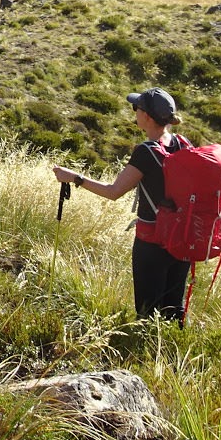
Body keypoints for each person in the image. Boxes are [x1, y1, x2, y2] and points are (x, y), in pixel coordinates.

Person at [53, 87, 192, 322]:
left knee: (148, 313)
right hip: (181, 239)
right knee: (174, 310)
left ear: (147, 116)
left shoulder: (146, 152)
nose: (134, 112)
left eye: (136, 108)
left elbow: (113, 192)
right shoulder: (183, 144)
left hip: (152, 242)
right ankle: (173, 351)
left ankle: (144, 353)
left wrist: (75, 178)